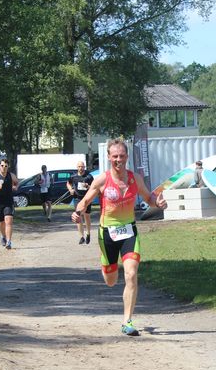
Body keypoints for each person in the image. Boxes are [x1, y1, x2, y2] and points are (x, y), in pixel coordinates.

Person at [72, 138, 167, 336]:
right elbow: (85, 200)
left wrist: (157, 203)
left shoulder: (134, 179)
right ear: (108, 157)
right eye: (114, 156)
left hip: (129, 231)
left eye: (122, 156)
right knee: (111, 281)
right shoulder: (101, 180)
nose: (118, 160)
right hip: (107, 233)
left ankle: (127, 321)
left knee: (131, 274)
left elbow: (149, 198)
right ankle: (106, 263)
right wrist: (77, 212)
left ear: (127, 157)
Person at [68, 161, 94, 244]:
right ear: (77, 167)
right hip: (77, 198)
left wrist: (87, 186)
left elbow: (94, 187)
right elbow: (68, 183)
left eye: (82, 166)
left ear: (84, 167)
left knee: (87, 216)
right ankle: (81, 236)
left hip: (86, 198)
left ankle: (88, 233)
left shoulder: (89, 176)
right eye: (79, 166)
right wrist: (70, 189)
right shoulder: (73, 176)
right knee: (77, 216)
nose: (81, 168)